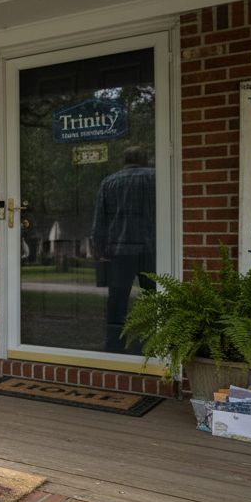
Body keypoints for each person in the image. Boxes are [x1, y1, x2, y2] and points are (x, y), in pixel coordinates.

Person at [91, 145, 155, 354]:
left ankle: (114, 346)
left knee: (117, 300)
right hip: (149, 247)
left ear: (124, 160)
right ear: (145, 159)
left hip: (119, 250)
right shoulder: (154, 178)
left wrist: (98, 249)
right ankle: (156, 343)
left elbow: (100, 218)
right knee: (155, 297)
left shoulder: (109, 182)